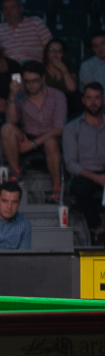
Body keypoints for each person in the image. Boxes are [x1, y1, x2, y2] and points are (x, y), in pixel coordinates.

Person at [1, 61, 66, 201]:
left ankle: (57, 187)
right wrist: (11, 96)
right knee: (6, 129)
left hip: (51, 137)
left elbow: (59, 129)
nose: (31, 85)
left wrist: (33, 144)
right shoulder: (19, 96)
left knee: (50, 142)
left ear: (43, 79)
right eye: (27, 81)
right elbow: (11, 121)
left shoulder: (57, 95)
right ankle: (16, 171)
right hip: (27, 134)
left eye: (35, 81)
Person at [62, 83, 105, 245]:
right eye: (89, 98)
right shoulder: (72, 127)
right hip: (85, 174)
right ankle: (98, 230)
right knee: (80, 188)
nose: (93, 102)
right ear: (83, 100)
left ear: (103, 100)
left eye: (97, 98)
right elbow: (70, 163)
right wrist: (96, 177)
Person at [0, 0, 52, 65]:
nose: (8, 11)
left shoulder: (36, 22)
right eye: (5, 8)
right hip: (12, 68)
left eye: (12, 7)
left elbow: (50, 46)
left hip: (35, 66)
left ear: (21, 9)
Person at [43, 39, 80, 118]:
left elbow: (72, 88)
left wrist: (63, 69)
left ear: (63, 53)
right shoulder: (42, 70)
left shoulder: (69, 68)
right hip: (48, 105)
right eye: (51, 50)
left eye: (58, 50)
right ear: (47, 53)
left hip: (68, 105)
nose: (55, 53)